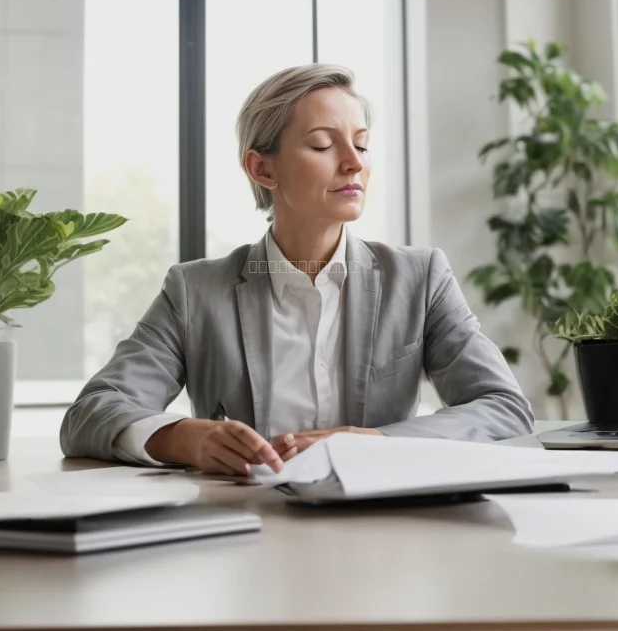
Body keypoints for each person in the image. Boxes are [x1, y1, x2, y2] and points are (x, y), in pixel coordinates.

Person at [60, 64, 533, 475]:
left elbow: (504, 407)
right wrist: (184, 438)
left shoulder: (420, 277)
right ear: (263, 170)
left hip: (387, 533)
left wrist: (378, 444)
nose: (353, 164)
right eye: (324, 145)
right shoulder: (195, 291)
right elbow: (90, 414)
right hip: (244, 531)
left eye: (362, 146)